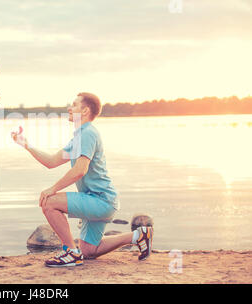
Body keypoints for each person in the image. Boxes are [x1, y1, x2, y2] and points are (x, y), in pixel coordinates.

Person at [12, 92, 153, 267]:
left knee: (49, 202)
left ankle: (71, 252)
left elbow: (80, 170)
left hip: (101, 201)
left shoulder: (88, 134)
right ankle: (138, 236)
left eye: (74, 105)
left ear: (85, 110)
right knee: (89, 250)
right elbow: (51, 162)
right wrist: (26, 145)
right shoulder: (79, 137)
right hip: (99, 201)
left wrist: (52, 189)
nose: (69, 108)